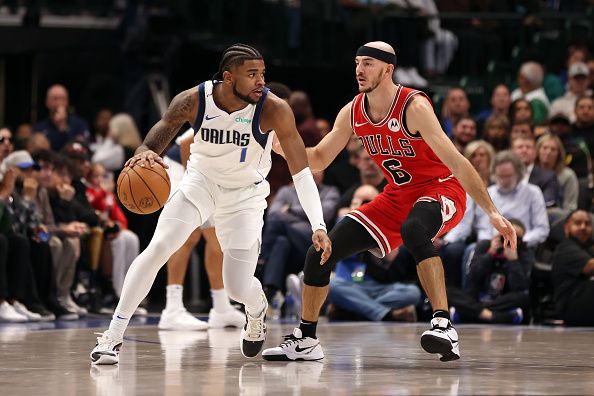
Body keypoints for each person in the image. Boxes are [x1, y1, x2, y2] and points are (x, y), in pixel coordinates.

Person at [263, 41, 516, 362]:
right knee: (320, 253)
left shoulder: (413, 106)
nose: (359, 69)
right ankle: (306, 339)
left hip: (441, 188)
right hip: (397, 195)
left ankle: (443, 324)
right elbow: (318, 159)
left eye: (368, 63)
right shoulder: (352, 111)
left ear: (388, 68)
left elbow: (457, 161)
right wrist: (277, 141)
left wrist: (492, 212)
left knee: (414, 229)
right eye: (357, 63)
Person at [90, 43, 331, 365]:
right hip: (199, 184)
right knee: (159, 247)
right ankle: (112, 337)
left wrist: (318, 224)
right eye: (252, 74)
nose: (261, 81)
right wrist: (144, 153)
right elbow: (159, 133)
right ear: (229, 78)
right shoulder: (194, 99)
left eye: (263, 74)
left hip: (245, 197)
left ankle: (256, 307)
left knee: (236, 286)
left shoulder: (275, 109)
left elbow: (301, 172)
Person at [552, 210, 594, 326]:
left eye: (587, 224)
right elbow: (590, 267)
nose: (583, 227)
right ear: (566, 228)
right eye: (578, 223)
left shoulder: (588, 248)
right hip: (571, 307)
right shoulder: (565, 248)